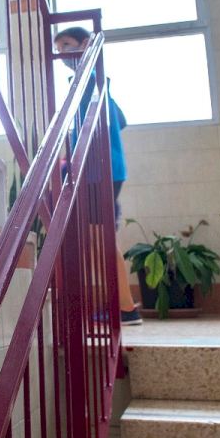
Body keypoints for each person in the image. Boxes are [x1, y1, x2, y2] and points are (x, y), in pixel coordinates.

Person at [53, 26, 142, 326]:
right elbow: (121, 120)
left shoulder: (89, 81)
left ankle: (126, 308)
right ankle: (123, 306)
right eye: (59, 49)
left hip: (97, 171)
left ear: (85, 44)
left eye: (68, 46)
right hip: (106, 169)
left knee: (99, 240)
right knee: (101, 240)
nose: (63, 55)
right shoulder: (97, 81)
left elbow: (89, 126)